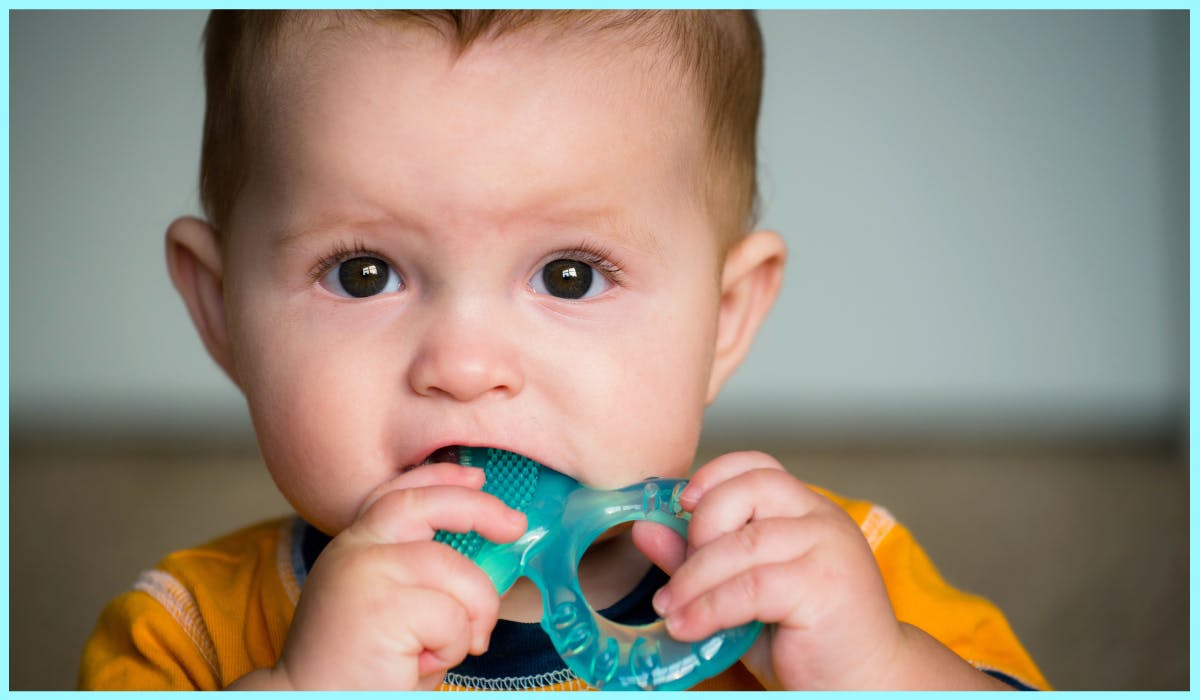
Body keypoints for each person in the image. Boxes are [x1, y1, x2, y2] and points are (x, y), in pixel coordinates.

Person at [79, 10, 1047, 690]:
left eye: (570, 276)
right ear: (219, 310)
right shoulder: (191, 633)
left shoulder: (821, 582)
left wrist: (876, 673)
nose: (464, 366)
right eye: (365, 273)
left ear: (725, 317)